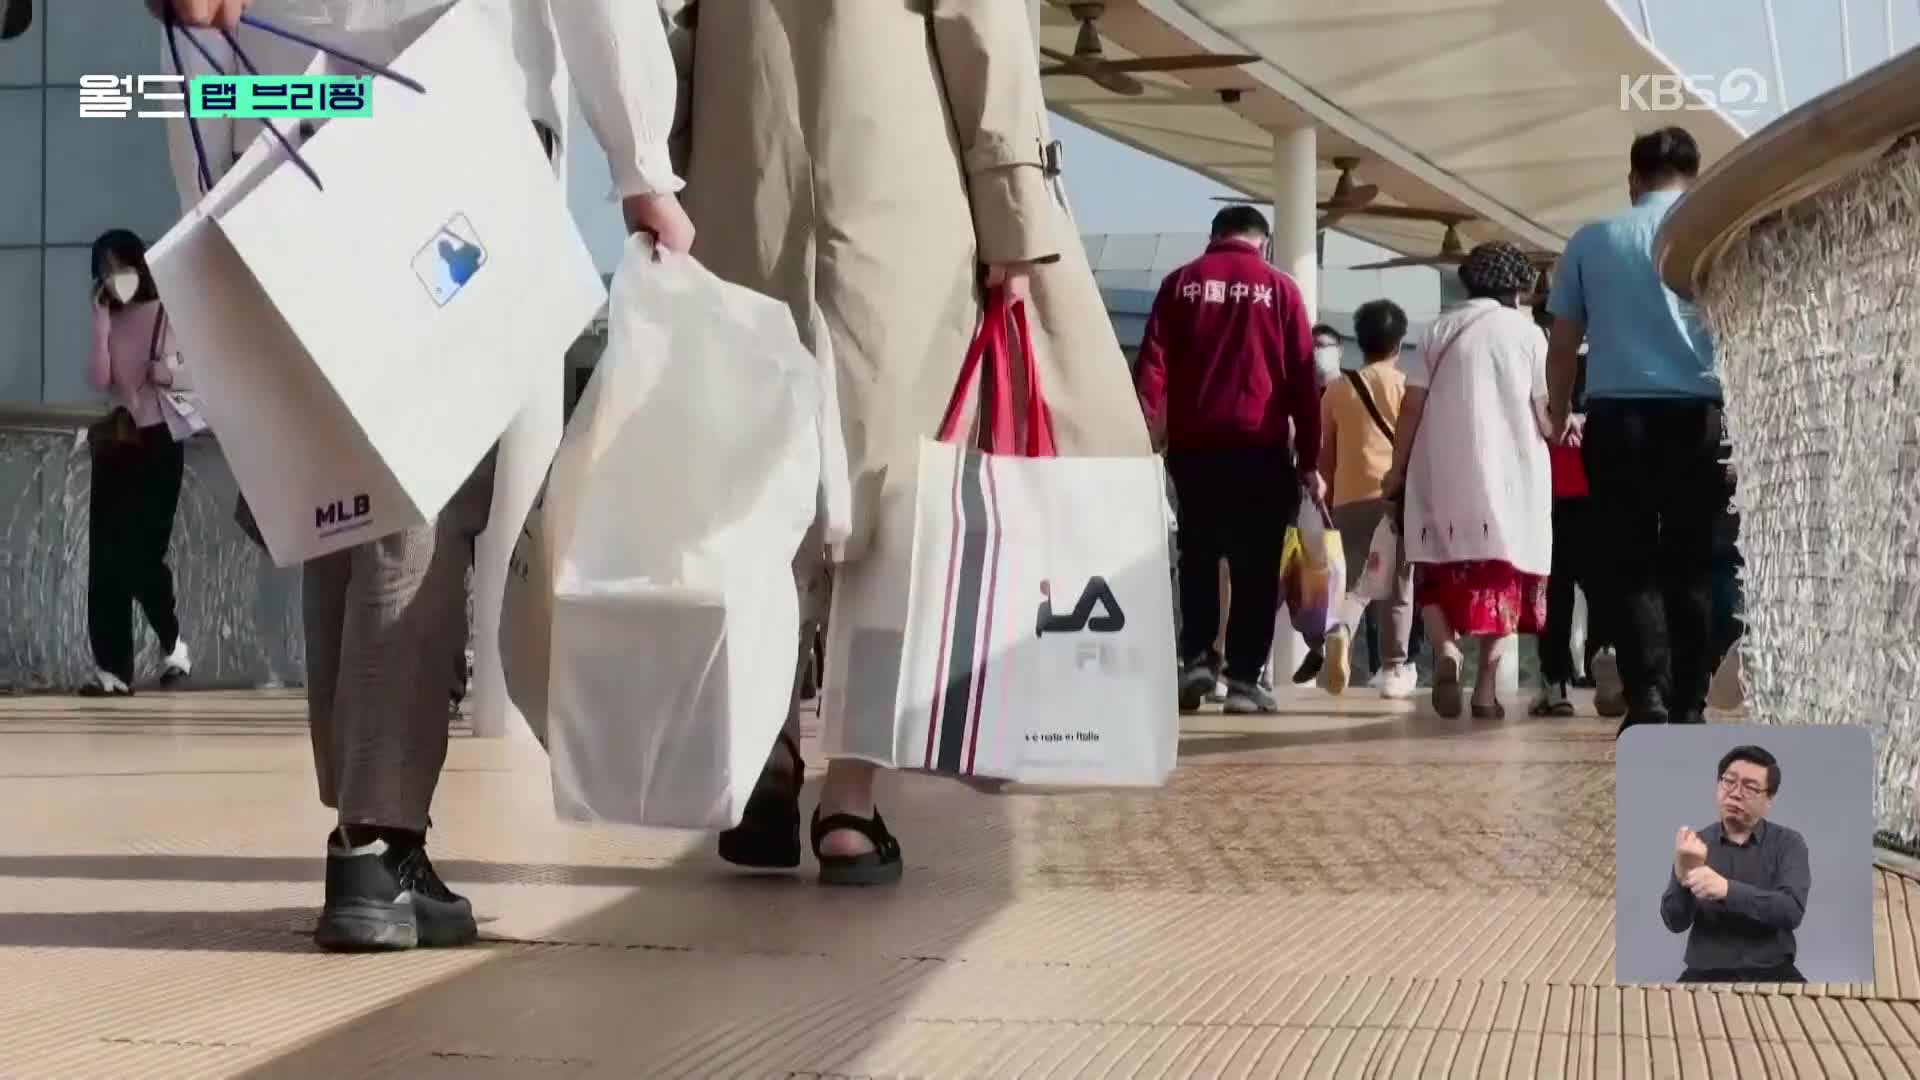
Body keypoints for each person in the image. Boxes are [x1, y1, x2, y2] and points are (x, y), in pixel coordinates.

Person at [158, 0, 693, 949]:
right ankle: (376, 841)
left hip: (289, 110)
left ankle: (367, 829)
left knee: (346, 493)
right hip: (451, 108)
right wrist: (643, 162)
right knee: (427, 490)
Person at [670, 0, 1152, 885]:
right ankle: (850, 802)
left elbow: (678, 34)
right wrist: (1015, 220)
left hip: (743, 194)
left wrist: (668, 176)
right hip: (900, 203)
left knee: (763, 485)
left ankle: (765, 764)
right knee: (899, 500)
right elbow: (985, 32)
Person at [1545, 127, 1724, 734]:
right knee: (1693, 560)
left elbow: (1564, 343)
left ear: (1632, 180)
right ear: (1695, 178)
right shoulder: (1714, 231)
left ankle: (1646, 694)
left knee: (1629, 559)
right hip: (1698, 417)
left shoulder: (1593, 240)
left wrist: (1557, 408)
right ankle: (1691, 703)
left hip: (1616, 417)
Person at [1134, 205, 1320, 715]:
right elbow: (1303, 382)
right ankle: (1242, 679)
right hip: (1261, 451)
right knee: (1256, 567)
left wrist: (1144, 438)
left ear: (1213, 236)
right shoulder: (1280, 290)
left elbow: (1153, 367)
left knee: (1196, 555)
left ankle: (1195, 660)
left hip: (1193, 452)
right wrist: (1309, 458)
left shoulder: (1180, 284)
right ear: (1262, 241)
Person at [1385, 242, 1552, 719]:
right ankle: (1484, 692)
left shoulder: (1438, 328)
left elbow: (1411, 405)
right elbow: (1545, 413)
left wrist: (1397, 470)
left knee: (1436, 572)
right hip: (1511, 479)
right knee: (1506, 579)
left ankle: (1447, 652)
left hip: (1441, 474)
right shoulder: (1529, 335)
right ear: (1519, 289)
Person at [82, 228, 193, 698]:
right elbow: (99, 377)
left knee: (144, 554)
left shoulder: (169, 310)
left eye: (119, 266)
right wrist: (102, 325)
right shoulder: (110, 314)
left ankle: (174, 643)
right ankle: (112, 670)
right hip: (119, 442)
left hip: (161, 439)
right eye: (104, 269)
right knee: (105, 558)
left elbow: (199, 371)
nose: (113, 277)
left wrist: (165, 372)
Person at [1318, 299, 1416, 699]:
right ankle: (1393, 669)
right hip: (1395, 498)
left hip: (1347, 500)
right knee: (1397, 586)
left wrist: (1326, 501)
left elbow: (1325, 456)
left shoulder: (1336, 391)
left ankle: (1341, 627)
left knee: (1355, 583)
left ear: (1359, 341)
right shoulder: (1406, 388)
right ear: (1398, 343)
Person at [1661, 745, 1810, 983]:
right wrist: (1681, 877)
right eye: (1728, 782)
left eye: (1750, 788)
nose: (1735, 793)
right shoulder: (1695, 843)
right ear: (1717, 786)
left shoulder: (1789, 843)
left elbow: (1791, 911)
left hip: (1774, 972)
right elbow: (1674, 922)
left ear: (1769, 799)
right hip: (1704, 974)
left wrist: (1727, 890)